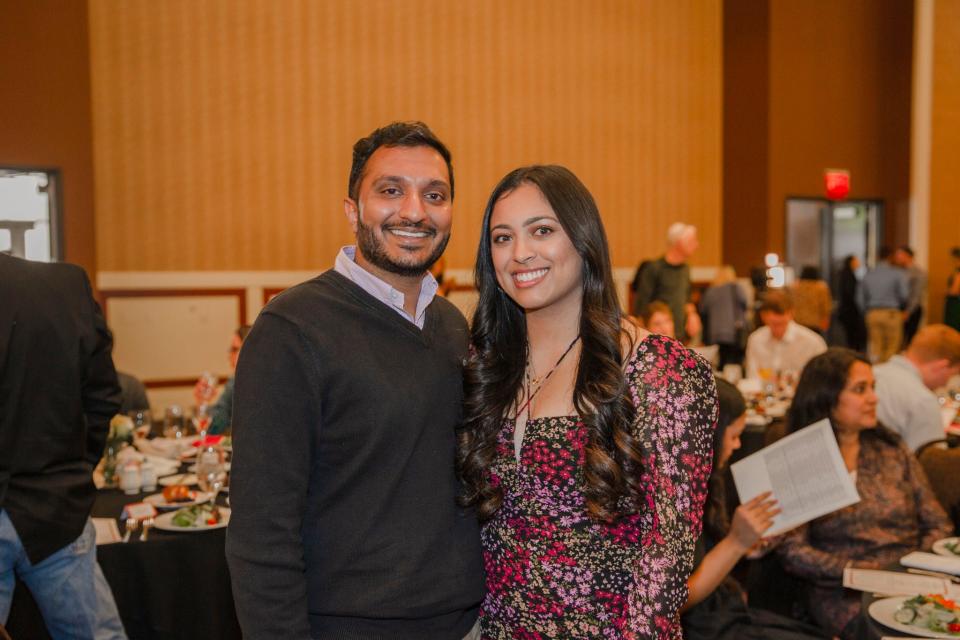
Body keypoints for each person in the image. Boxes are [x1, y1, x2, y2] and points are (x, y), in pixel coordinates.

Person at [225, 122, 484, 640]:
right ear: (352, 210)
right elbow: (260, 532)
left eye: (434, 195)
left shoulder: (453, 325)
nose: (414, 211)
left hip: (468, 622)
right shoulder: (292, 328)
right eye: (391, 191)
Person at [459, 165, 717, 639]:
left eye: (542, 230)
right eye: (501, 238)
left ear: (583, 239)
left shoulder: (658, 370)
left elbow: (667, 557)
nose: (520, 253)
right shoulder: (484, 365)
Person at [776, 348, 952, 640]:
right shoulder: (801, 460)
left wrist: (908, 566)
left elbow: (938, 522)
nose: (874, 398)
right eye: (860, 389)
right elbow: (792, 550)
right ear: (826, 398)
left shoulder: (891, 449)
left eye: (873, 387)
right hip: (842, 591)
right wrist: (862, 571)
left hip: (909, 578)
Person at [0, 254, 127, 639]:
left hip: (56, 502)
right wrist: (75, 465)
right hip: (55, 502)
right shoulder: (63, 284)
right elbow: (103, 396)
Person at [681, 378, 825, 640]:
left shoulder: (707, 479)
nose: (737, 446)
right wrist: (736, 542)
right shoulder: (675, 495)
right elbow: (675, 600)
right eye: (734, 436)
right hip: (697, 627)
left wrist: (746, 543)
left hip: (721, 612)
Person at [874, 324, 960, 451]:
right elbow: (932, 463)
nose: (945, 384)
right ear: (942, 366)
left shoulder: (872, 372)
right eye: (951, 375)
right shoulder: (923, 400)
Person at [631, 222, 702, 342]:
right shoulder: (654, 269)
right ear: (679, 243)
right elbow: (640, 308)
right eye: (692, 241)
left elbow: (687, 298)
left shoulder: (685, 269)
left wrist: (692, 314)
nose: (696, 245)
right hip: (657, 339)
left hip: (679, 336)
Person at [743, 291, 826, 379]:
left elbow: (821, 378)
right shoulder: (756, 339)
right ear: (763, 317)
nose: (779, 329)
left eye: (782, 324)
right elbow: (752, 376)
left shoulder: (812, 342)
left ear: (791, 314)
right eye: (774, 324)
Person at [193, 325, 250, 435]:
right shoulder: (233, 383)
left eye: (234, 349)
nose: (229, 356)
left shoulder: (267, 385)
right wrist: (202, 403)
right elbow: (214, 428)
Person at [859, 247, 909, 363]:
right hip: (891, 313)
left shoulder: (868, 274)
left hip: (872, 313)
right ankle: (888, 373)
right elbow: (904, 295)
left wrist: (866, 311)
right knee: (892, 345)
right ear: (890, 257)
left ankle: (876, 371)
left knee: (875, 345)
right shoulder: (897, 274)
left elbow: (860, 298)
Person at [699, 265, 748, 369]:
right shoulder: (736, 288)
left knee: (719, 364)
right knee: (733, 365)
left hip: (714, 334)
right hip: (733, 333)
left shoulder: (710, 291)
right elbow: (745, 304)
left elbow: (703, 309)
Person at [893, 245, 928, 349]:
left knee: (910, 338)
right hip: (899, 309)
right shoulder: (898, 271)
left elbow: (916, 294)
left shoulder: (918, 273)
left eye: (899, 255)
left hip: (912, 309)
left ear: (908, 256)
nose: (897, 257)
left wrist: (908, 311)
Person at [789, 266, 831, 336]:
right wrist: (825, 319)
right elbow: (825, 306)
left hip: (797, 320)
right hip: (814, 322)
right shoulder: (821, 287)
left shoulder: (794, 286)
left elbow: (789, 302)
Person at [836, 255, 866, 352]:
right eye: (856, 261)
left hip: (848, 310)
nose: (859, 263)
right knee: (852, 336)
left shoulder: (848, 274)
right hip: (850, 311)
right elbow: (850, 294)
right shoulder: (848, 275)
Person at [945, 247, 960, 331]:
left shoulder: (958, 272)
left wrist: (947, 292)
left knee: (954, 327)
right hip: (954, 301)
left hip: (955, 303)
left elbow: (954, 291)